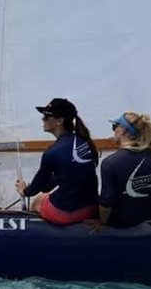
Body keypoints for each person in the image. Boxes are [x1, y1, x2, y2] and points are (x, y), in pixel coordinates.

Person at [15, 96, 99, 224]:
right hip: (91, 208)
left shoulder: (52, 152)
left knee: (38, 200)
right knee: (47, 195)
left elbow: (37, 186)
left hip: (66, 214)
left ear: (59, 121)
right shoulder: (85, 143)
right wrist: (47, 187)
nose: (42, 119)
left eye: (46, 117)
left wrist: (24, 190)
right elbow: (68, 172)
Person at [97, 111, 151, 228]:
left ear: (123, 130)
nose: (113, 130)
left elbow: (106, 201)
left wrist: (102, 222)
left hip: (119, 223)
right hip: (142, 217)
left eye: (114, 127)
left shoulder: (110, 163)